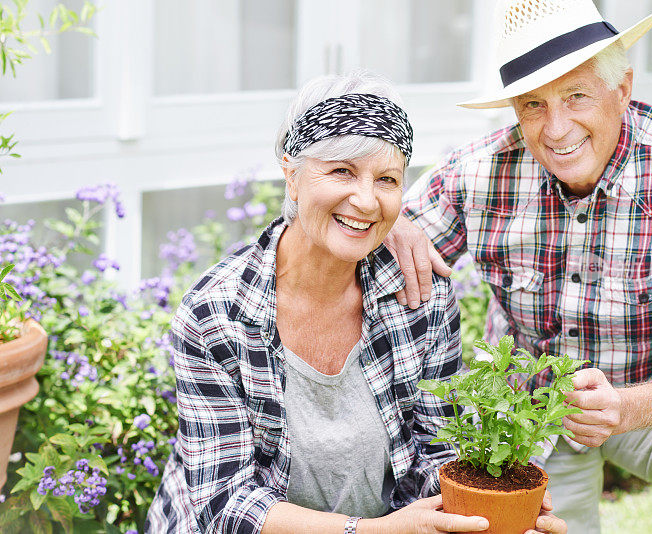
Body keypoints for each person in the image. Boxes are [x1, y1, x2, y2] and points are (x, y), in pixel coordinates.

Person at [385, 1, 652, 533]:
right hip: (531, 418)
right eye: (533, 105)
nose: (556, 128)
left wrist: (625, 408)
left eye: (576, 96)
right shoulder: (479, 172)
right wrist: (392, 219)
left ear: (622, 89)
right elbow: (376, 253)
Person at [145, 71, 566, 534]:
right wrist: (371, 531)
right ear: (292, 176)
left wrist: (490, 505)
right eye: (342, 170)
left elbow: (434, 449)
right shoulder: (215, 314)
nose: (366, 200)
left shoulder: (420, 297)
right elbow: (226, 506)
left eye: (386, 179)